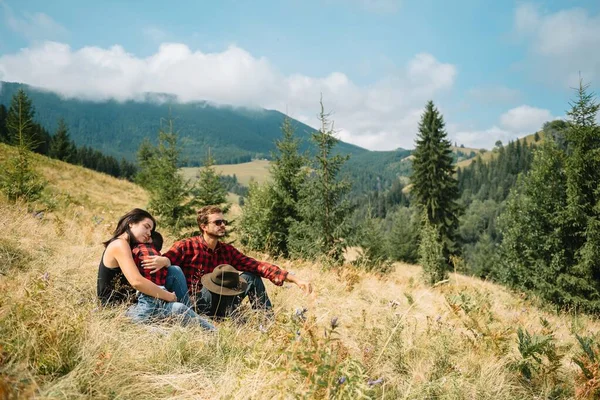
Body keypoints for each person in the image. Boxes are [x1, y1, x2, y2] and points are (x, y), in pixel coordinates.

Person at [142, 205, 313, 316]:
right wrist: (163, 260)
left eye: (224, 221)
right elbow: (167, 262)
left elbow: (256, 265)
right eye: (217, 222)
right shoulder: (186, 246)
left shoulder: (226, 250)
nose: (222, 225)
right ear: (204, 226)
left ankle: (266, 324)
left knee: (252, 277)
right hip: (197, 305)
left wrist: (294, 278)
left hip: (223, 304)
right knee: (207, 285)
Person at [97, 208, 215, 330]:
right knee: (178, 308)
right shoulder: (119, 244)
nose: (149, 233)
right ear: (131, 223)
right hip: (120, 310)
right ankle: (211, 332)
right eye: (146, 226)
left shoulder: (130, 245)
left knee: (174, 271)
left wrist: (166, 261)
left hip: (137, 301)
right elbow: (137, 282)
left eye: (151, 230)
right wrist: (168, 296)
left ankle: (191, 316)